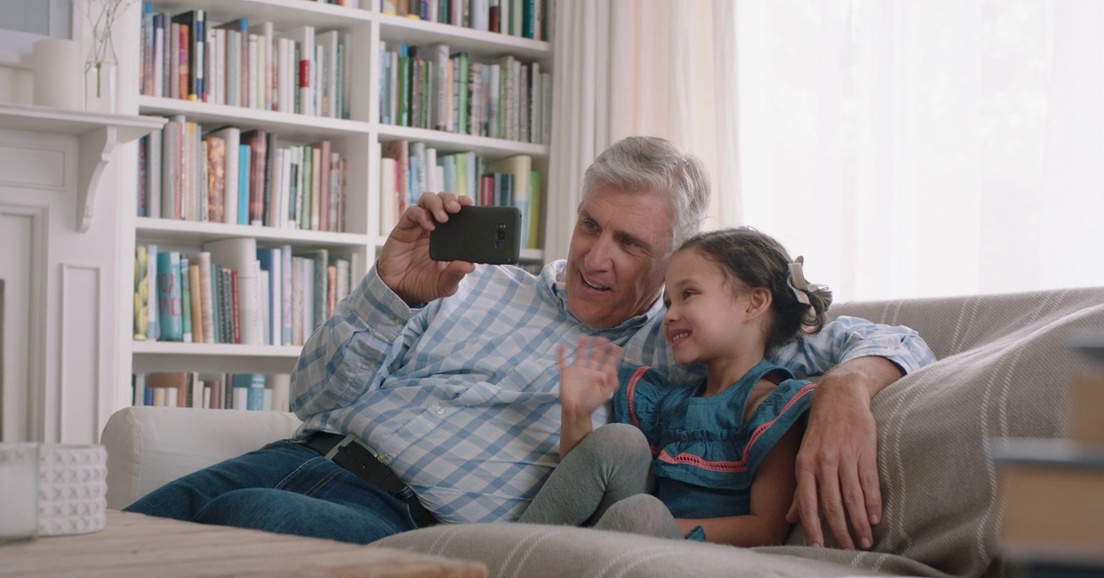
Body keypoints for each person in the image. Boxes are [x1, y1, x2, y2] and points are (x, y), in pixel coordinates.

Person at [125, 136, 935, 548]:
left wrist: (847, 389)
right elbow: (315, 401)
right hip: (308, 453)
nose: (594, 255)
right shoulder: (476, 280)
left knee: (239, 519)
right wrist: (392, 295)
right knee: (107, 547)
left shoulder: (675, 343)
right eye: (590, 224)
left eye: (628, 243)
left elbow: (882, 337)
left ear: (675, 260)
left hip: (415, 526)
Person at [519, 227, 831, 547]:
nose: (670, 316)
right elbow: (583, 491)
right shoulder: (669, 403)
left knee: (643, 512)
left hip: (696, 556)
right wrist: (577, 413)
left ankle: (563, 558)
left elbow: (766, 530)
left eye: (688, 294)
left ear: (753, 304)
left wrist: (650, 525)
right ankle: (519, 549)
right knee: (622, 441)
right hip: (632, 540)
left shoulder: (769, 406)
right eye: (668, 303)